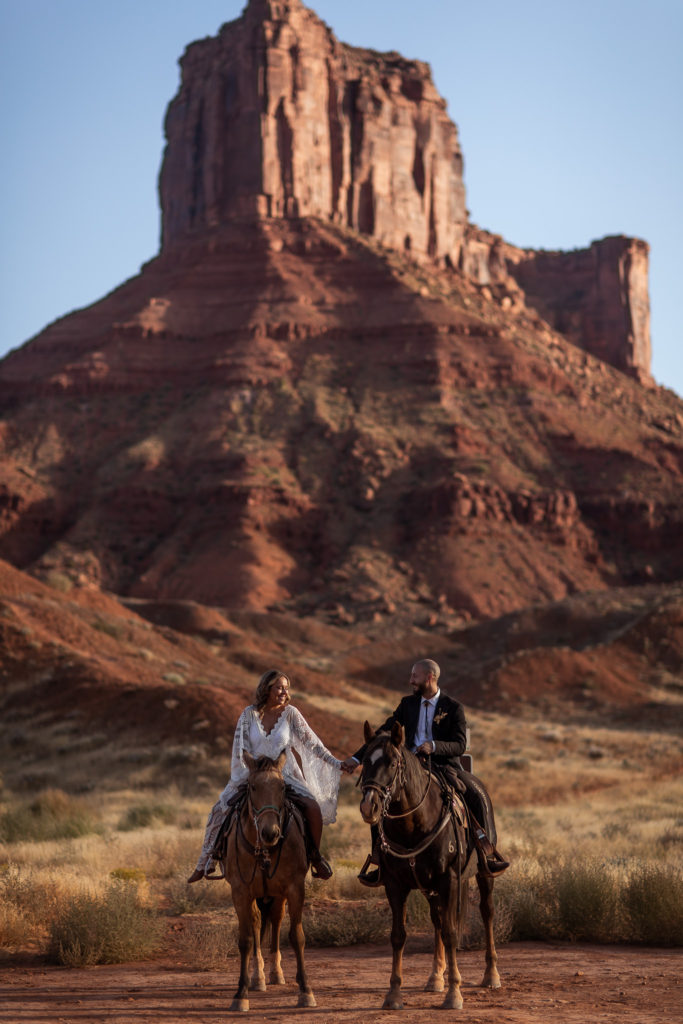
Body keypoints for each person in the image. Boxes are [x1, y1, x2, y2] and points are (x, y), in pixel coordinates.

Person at [341, 658, 509, 885]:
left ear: (430, 678)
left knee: (475, 794)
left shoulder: (453, 707)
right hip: (409, 769)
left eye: (415, 676)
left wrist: (434, 746)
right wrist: (356, 758)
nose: (411, 680)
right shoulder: (407, 704)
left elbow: (460, 744)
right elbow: (383, 734)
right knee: (379, 800)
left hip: (443, 766)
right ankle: (380, 861)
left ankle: (485, 854)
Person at [188, 669, 341, 883]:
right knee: (218, 810)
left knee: (312, 807)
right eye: (279, 687)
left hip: (284, 774)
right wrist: (247, 773)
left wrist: (338, 763)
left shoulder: (291, 714)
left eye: (286, 688)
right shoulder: (248, 715)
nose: (283, 691)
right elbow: (239, 748)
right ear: (267, 689)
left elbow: (313, 743)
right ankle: (206, 860)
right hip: (253, 774)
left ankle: (315, 857)